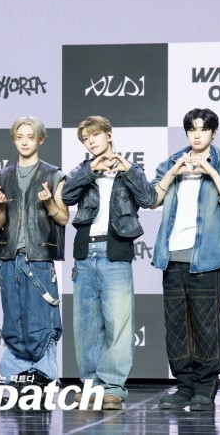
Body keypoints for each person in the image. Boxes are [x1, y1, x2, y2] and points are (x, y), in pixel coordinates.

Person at [151, 108, 220, 411]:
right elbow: (152, 200)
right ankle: (184, 386)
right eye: (192, 129)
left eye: (203, 129)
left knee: (206, 325)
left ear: (213, 133)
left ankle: (205, 386)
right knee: (177, 326)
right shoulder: (171, 163)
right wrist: (173, 172)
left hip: (206, 260)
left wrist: (211, 172)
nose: (197, 134)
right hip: (172, 259)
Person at [61, 116, 156, 410]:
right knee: (87, 326)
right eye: (85, 138)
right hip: (85, 253)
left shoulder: (130, 171)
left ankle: (112, 387)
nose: (91, 141)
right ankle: (91, 386)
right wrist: (90, 170)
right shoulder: (82, 170)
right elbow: (66, 195)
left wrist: (128, 170)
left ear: (109, 135)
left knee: (119, 324)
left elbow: (149, 199)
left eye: (95, 135)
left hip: (115, 252)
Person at [0, 116, 68, 394]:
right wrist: (0, 207)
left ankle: (44, 375)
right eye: (20, 136)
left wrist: (49, 203)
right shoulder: (1, 177)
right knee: (14, 320)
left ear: (40, 140)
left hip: (39, 258)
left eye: (30, 137)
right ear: (14, 139)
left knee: (42, 321)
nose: (24, 142)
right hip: (8, 258)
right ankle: (16, 376)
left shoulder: (54, 175)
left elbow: (63, 218)